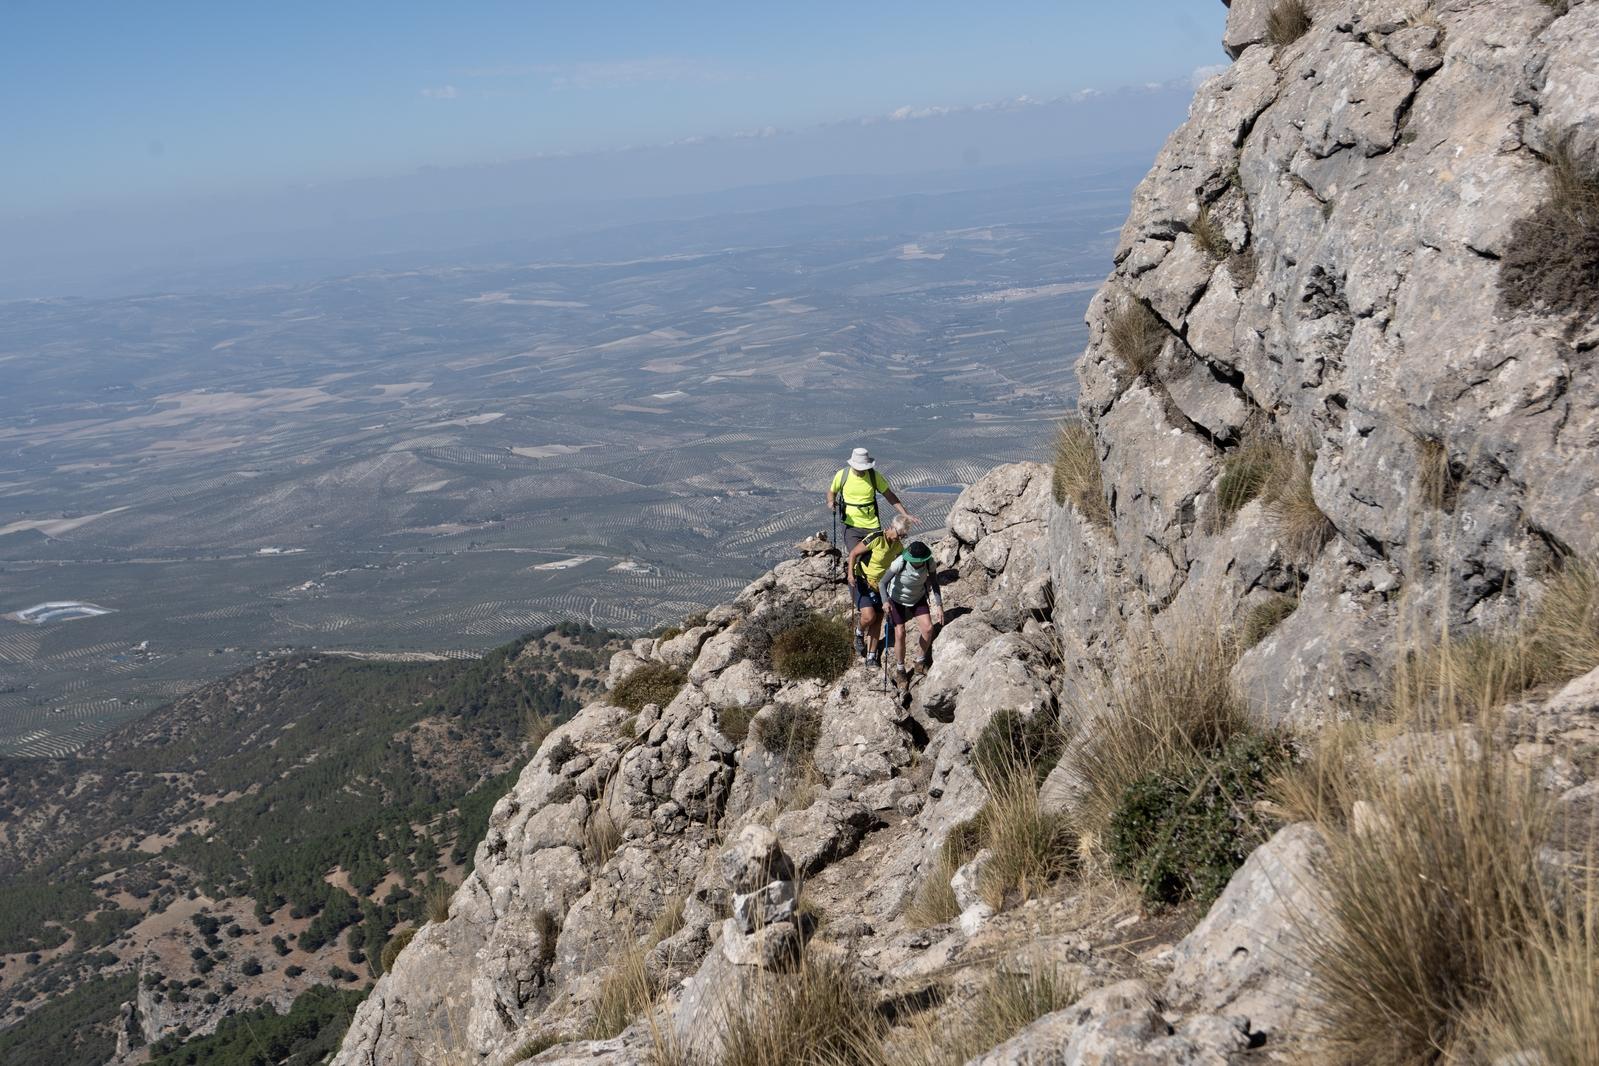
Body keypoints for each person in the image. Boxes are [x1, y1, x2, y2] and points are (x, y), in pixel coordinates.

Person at [827, 447, 915, 655]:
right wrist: (831, 501)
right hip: (851, 526)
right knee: (858, 557)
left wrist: (906, 514)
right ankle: (859, 591)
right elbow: (831, 491)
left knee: (876, 556)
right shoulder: (843, 475)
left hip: (871, 525)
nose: (860, 470)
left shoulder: (875, 477)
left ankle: (874, 593)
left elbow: (889, 495)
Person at [845, 516, 911, 667]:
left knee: (878, 619)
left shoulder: (897, 546)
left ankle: (871, 656)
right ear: (891, 527)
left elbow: (903, 561)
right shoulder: (876, 538)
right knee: (869, 617)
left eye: (903, 536)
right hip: (861, 579)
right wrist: (850, 574)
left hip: (881, 585)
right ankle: (859, 633)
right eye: (899, 534)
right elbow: (854, 553)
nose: (900, 538)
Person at [878, 540, 943, 676]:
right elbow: (882, 583)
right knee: (900, 633)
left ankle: (920, 662)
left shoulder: (929, 562)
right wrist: (885, 602)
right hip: (896, 600)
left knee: (928, 628)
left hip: (917, 597)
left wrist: (939, 605)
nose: (918, 562)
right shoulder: (900, 563)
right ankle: (900, 669)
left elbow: (934, 583)